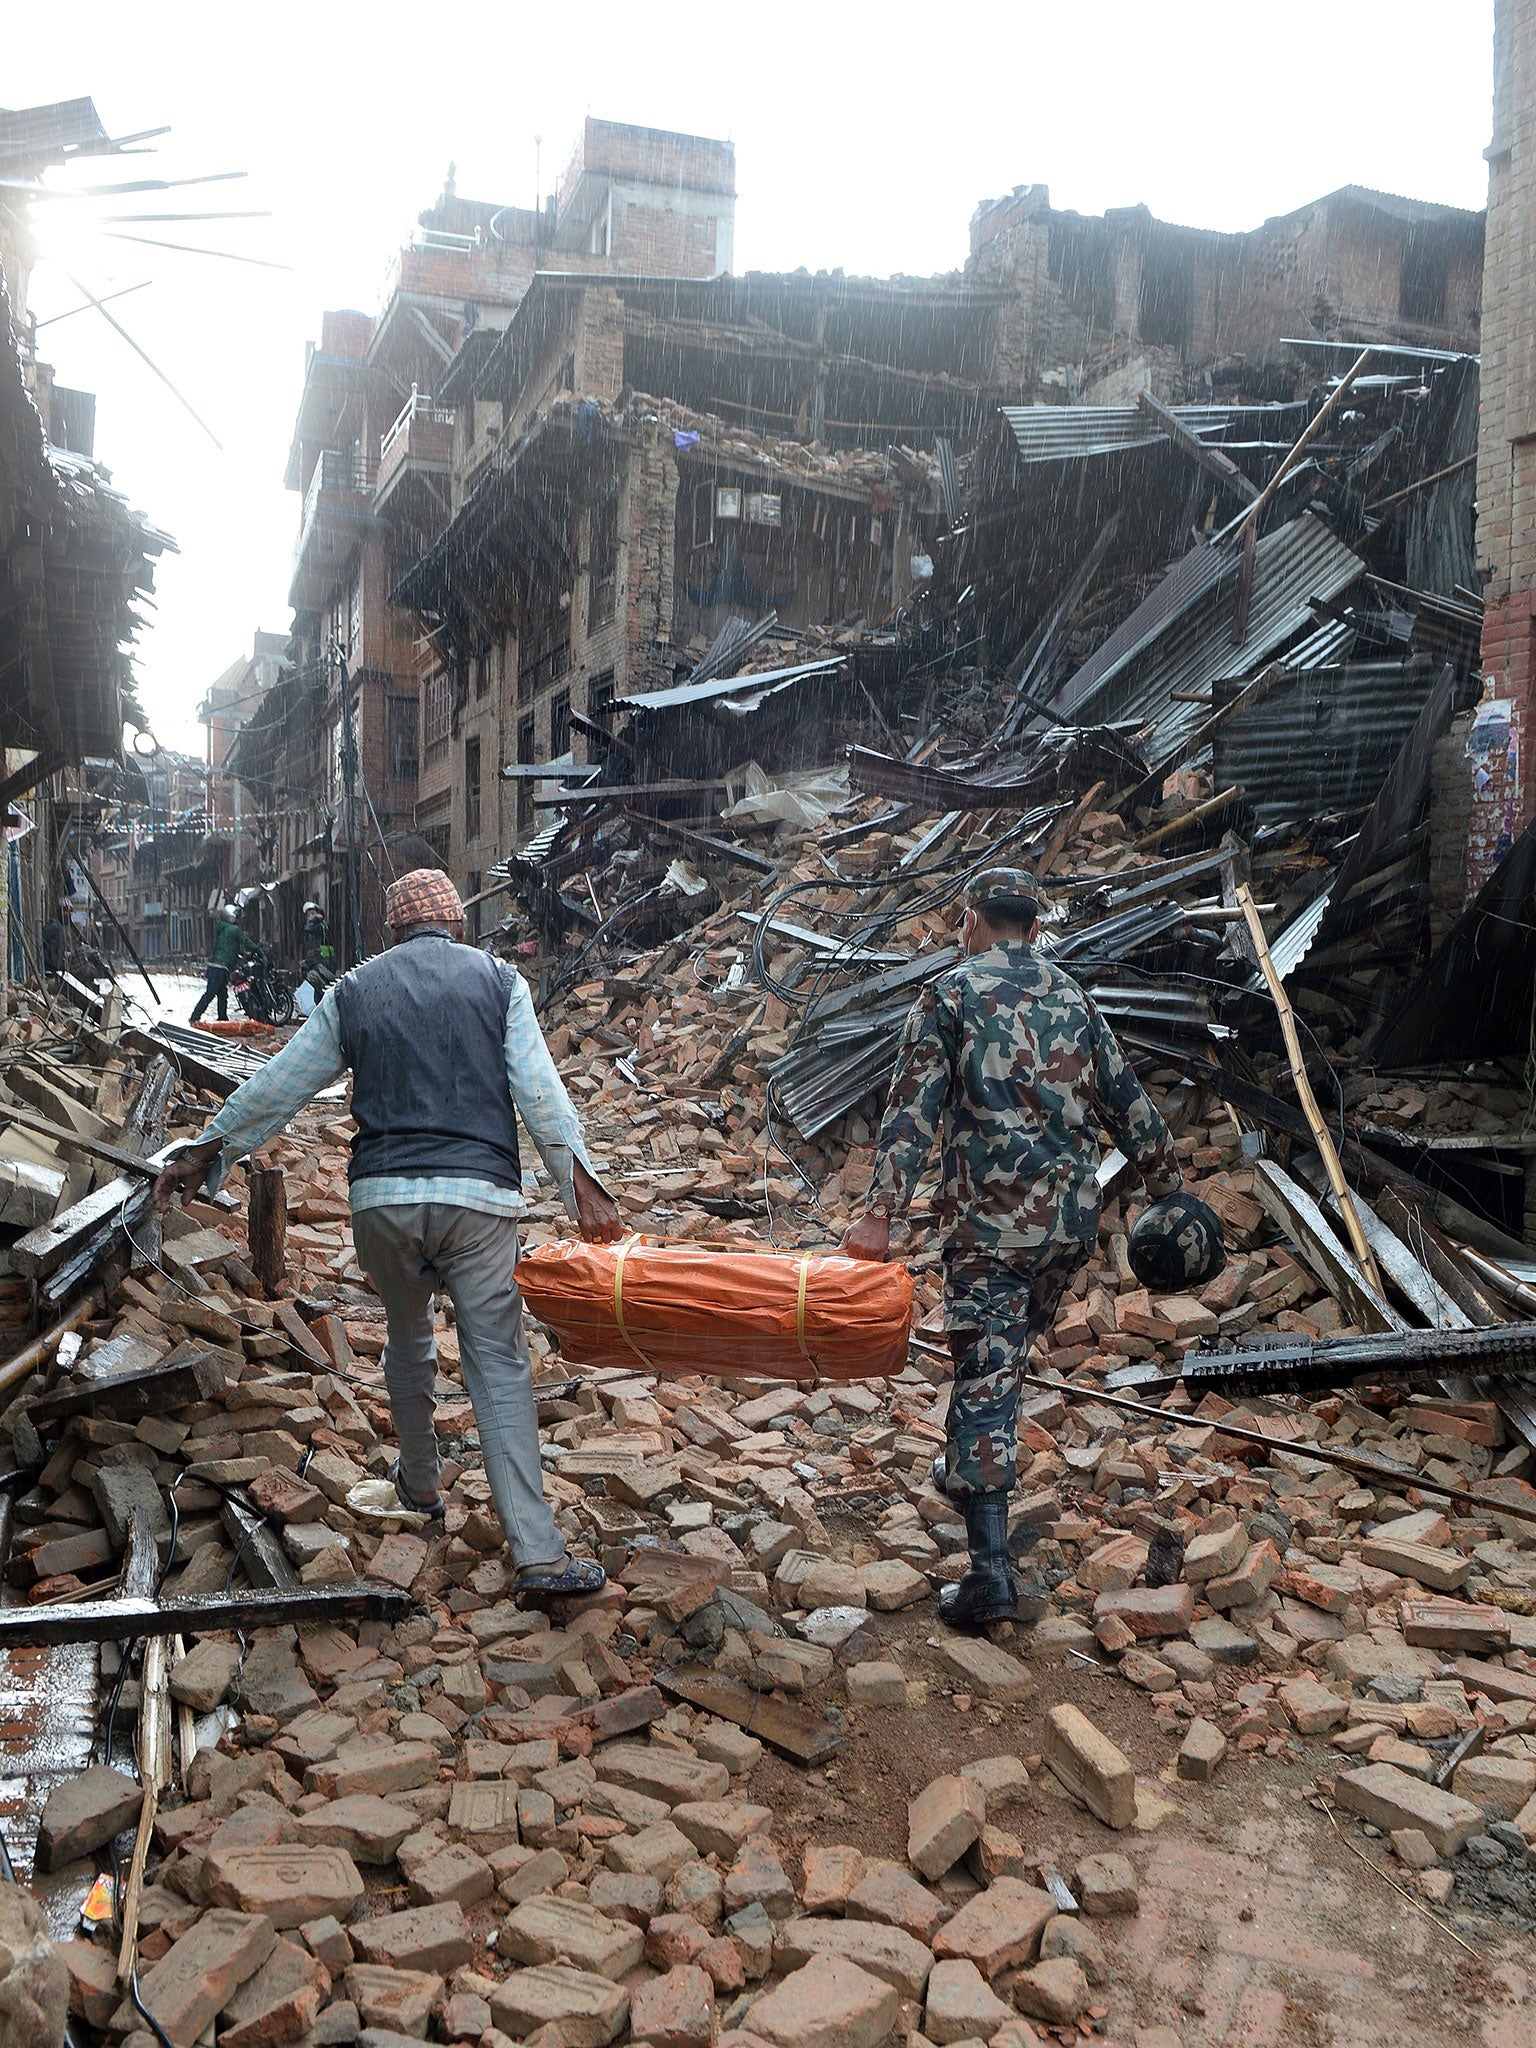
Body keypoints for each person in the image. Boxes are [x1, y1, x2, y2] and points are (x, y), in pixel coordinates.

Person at [154, 867, 622, 1603]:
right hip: (479, 1202)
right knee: (496, 1364)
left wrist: (207, 1150)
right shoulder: (500, 981)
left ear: (395, 929)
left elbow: (282, 1084)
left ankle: (419, 1488)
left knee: (406, 1340)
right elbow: (539, 1090)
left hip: (383, 1204)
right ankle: (536, 1556)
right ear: (455, 924)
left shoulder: (355, 990)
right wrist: (582, 1187)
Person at [841, 867, 1182, 1630]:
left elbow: (911, 1110)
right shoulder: (1072, 995)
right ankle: (970, 1471)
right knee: (1000, 1361)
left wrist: (879, 1212)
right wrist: (1171, 1189)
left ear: (973, 921)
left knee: (986, 1380)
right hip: (1065, 1226)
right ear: (1034, 926)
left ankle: (990, 1579)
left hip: (991, 1229)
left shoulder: (951, 994)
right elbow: (1127, 1100)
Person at [190, 906, 245, 1023]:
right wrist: (258, 949)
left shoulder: (222, 929)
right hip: (221, 967)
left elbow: (230, 947)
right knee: (211, 993)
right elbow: (246, 942)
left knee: (222, 993)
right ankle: (195, 1016)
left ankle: (222, 1017)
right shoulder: (234, 930)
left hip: (216, 966)